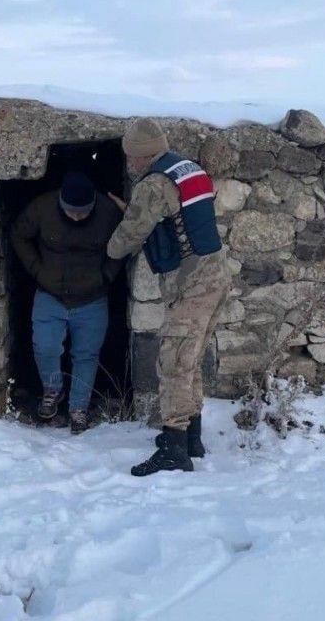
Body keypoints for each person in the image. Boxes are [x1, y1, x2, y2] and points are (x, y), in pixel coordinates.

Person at [107, 118, 231, 476]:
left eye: (131, 156)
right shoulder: (187, 168)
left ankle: (174, 449)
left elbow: (130, 235)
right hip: (216, 275)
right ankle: (191, 437)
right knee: (190, 358)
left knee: (174, 362)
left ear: (142, 155)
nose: (129, 163)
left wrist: (108, 248)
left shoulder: (154, 184)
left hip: (191, 283)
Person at [11, 171, 122, 434]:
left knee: (86, 355)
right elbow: (18, 234)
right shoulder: (42, 208)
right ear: (61, 201)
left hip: (92, 297)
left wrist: (107, 276)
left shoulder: (108, 213)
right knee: (45, 347)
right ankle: (52, 390)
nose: (76, 217)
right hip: (50, 294)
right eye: (71, 211)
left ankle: (78, 408)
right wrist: (36, 270)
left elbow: (125, 241)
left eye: (82, 212)